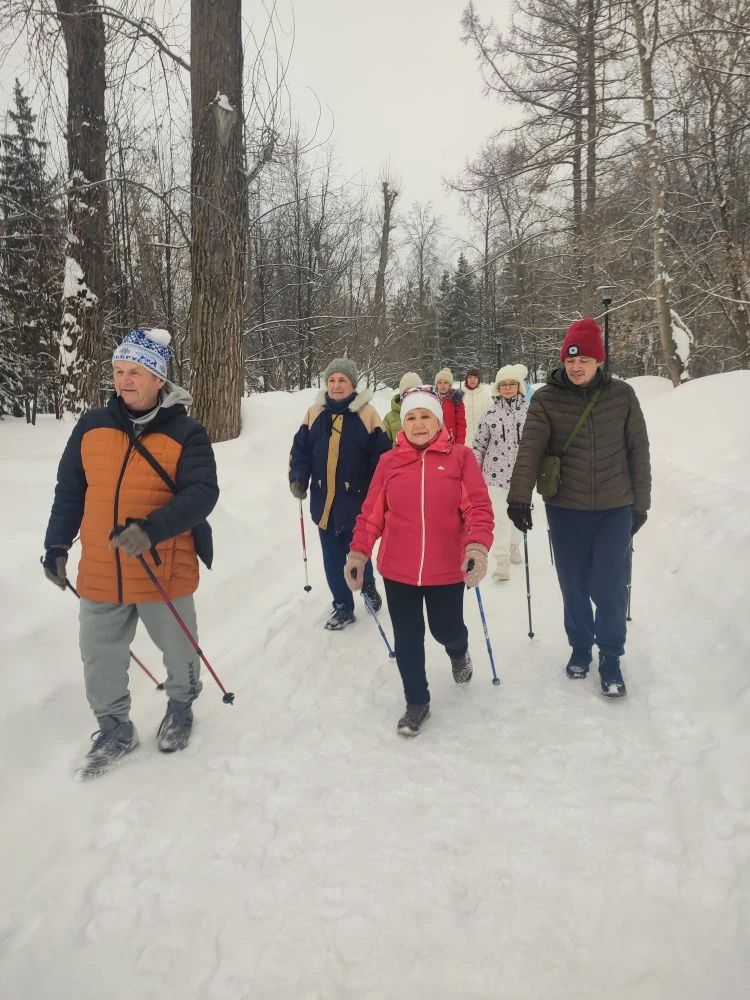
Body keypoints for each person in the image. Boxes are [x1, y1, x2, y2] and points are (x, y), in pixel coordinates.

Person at [42, 327, 219, 779]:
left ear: (159, 378)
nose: (124, 381)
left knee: (178, 647)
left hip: (164, 565)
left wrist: (152, 529)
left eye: (135, 372)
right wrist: (56, 546)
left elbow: (203, 493)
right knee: (98, 653)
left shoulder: (187, 432)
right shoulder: (92, 425)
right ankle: (114, 726)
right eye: (119, 371)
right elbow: (70, 490)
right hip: (102, 567)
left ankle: (181, 706)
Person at [507, 318, 651, 697]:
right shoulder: (546, 399)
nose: (576, 366)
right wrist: (518, 496)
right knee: (573, 585)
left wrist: (642, 504)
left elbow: (639, 450)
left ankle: (610, 654)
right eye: (571, 359)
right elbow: (530, 449)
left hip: (615, 507)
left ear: (598, 361)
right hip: (565, 507)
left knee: (610, 585)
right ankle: (581, 647)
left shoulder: (622, 396)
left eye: (584, 359)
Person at [344, 385, 494, 737]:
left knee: (446, 629)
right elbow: (371, 515)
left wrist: (475, 547)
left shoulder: (460, 459)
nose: (418, 423)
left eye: (425, 416)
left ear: (438, 420)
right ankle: (416, 702)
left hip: (446, 569)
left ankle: (459, 652)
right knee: (408, 638)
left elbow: (478, 509)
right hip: (399, 570)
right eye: (411, 417)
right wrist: (358, 552)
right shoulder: (389, 463)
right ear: (402, 424)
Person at [289, 357, 391, 630]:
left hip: (357, 504)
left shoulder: (368, 415)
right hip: (324, 504)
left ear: (353, 385)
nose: (336, 385)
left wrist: (376, 495)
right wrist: (298, 478)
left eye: (342, 380)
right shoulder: (314, 413)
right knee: (332, 559)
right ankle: (343, 606)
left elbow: (383, 460)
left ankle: (367, 586)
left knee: (357, 553)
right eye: (332, 380)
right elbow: (300, 452)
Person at [473, 364, 529, 581]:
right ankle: (502, 560)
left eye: (511, 384)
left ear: (519, 386)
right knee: (500, 517)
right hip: (494, 473)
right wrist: (474, 470)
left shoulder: (529, 411)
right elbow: (479, 444)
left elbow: (537, 440)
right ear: (497, 388)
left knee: (519, 514)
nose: (507, 388)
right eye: (503, 385)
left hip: (522, 473)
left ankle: (515, 544)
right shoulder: (490, 413)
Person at [383, 371, 422, 444]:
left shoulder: (428, 415)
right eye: (407, 392)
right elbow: (382, 446)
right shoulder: (390, 418)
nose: (411, 395)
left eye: (414, 392)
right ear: (401, 395)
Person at [434, 367, 466, 444]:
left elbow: (461, 424)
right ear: (436, 384)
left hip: (451, 440)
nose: (442, 385)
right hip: (434, 440)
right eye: (440, 382)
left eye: (445, 383)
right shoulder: (432, 399)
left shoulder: (456, 400)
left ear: (450, 385)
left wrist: (459, 443)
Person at [462, 366, 492, 447]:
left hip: (482, 439)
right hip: (464, 439)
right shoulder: (460, 395)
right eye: (470, 377)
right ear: (466, 380)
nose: (472, 380)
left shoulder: (486, 395)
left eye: (475, 377)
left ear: (479, 380)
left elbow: (492, 416)